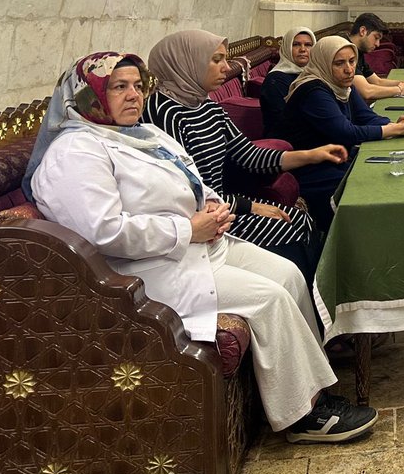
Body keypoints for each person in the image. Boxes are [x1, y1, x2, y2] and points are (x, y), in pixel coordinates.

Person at [25, 52, 378, 443]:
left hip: (198, 246)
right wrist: (187, 229)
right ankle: (304, 417)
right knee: (270, 299)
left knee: (289, 275)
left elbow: (190, 179)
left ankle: (310, 390)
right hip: (145, 272)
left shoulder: (142, 134)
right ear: (87, 96)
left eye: (138, 86)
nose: (133, 95)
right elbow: (102, 232)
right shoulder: (75, 153)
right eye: (119, 87)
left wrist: (213, 205)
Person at [144, 30, 348, 284]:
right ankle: (307, 293)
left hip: (225, 204)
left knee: (302, 220)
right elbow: (188, 192)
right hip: (205, 216)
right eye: (216, 60)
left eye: (224, 59)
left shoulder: (208, 107)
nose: (226, 67)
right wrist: (252, 206)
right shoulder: (163, 112)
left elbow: (250, 156)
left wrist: (311, 155)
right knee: (290, 231)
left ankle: (317, 294)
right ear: (188, 62)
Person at [283, 35, 404, 228]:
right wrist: (396, 129)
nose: (349, 69)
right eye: (339, 63)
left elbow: (366, 116)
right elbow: (346, 133)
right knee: (372, 187)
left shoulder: (342, 85)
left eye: (352, 61)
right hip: (312, 168)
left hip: (337, 158)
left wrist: (398, 123)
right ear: (323, 62)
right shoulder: (313, 90)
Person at [348, 12, 404, 102]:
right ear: (363, 31)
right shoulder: (346, 51)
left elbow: (377, 81)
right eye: (376, 38)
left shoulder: (357, 50)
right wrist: (400, 90)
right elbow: (367, 91)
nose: (377, 44)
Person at [260, 27, 314, 140]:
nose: (303, 49)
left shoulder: (315, 74)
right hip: (286, 141)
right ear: (287, 48)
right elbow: (282, 121)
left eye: (308, 45)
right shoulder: (275, 80)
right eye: (296, 44)